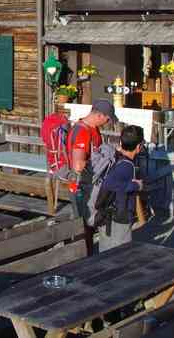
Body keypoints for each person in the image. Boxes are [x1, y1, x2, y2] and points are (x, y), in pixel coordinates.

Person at [67, 98, 118, 231]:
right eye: (107, 119)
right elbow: (78, 165)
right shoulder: (83, 131)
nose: (107, 122)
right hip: (82, 187)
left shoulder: (92, 129)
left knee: (87, 226)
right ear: (99, 115)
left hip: (89, 185)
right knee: (83, 227)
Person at [99, 125, 145, 251]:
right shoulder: (126, 166)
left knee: (106, 254)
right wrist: (136, 185)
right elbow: (109, 184)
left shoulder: (117, 158)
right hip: (117, 218)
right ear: (138, 147)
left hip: (108, 216)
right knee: (119, 255)